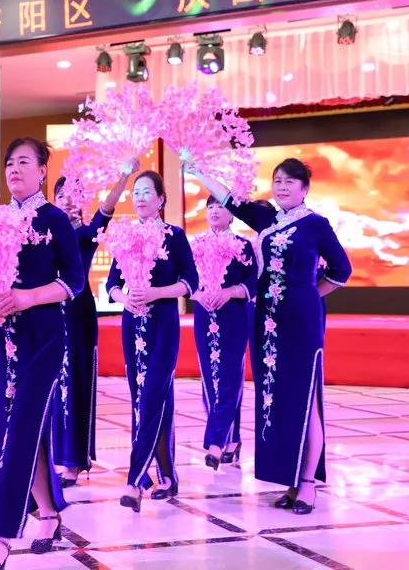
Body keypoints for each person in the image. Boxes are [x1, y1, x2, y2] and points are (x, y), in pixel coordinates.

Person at [190, 157, 351, 514]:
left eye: (290, 181)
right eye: (277, 180)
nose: (282, 186)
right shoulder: (268, 220)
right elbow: (230, 200)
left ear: (305, 188)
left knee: (306, 399)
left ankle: (307, 483)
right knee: (278, 402)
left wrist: (309, 296)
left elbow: (342, 269)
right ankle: (291, 481)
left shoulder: (316, 224)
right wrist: (199, 172)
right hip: (267, 325)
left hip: (301, 324)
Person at [0, 137, 84, 569]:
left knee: (18, 426)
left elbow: (74, 282)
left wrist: (26, 297)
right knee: (16, 426)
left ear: (42, 171)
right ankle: (49, 514)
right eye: (9, 163)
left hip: (43, 338)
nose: (13, 169)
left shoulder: (55, 219)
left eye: (23, 162)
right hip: (4, 337)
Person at [106, 171, 198, 511]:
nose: (140, 198)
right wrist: (123, 297)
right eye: (136, 193)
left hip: (163, 324)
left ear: (161, 199)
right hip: (132, 325)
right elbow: (112, 284)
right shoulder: (126, 236)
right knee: (145, 399)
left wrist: (157, 292)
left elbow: (191, 282)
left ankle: (134, 481)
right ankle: (168, 475)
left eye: (147, 192)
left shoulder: (175, 236)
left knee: (152, 396)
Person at [51, 161, 137, 487]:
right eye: (62, 194)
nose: (68, 199)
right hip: (48, 314)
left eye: (75, 195)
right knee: (52, 384)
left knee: (75, 382)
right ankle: (53, 455)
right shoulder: (42, 233)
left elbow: (108, 208)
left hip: (78, 314)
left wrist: (124, 175)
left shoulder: (86, 233)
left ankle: (74, 461)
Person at [190, 195, 258, 469]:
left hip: (234, 316)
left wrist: (229, 292)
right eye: (211, 207)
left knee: (230, 377)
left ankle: (216, 443)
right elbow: (185, 279)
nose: (215, 211)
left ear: (232, 214)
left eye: (221, 206)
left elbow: (253, 282)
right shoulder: (195, 244)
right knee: (210, 378)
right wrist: (198, 295)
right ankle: (233, 439)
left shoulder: (242, 244)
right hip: (204, 315)